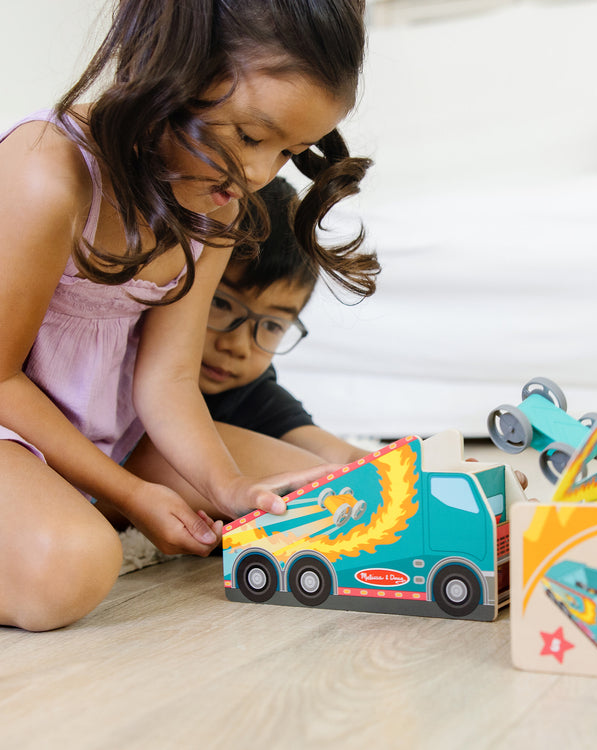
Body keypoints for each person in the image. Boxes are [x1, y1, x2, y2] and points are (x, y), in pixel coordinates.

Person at [0, 0, 379, 631]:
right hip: (11, 423)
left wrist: (229, 490)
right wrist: (129, 496)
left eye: (289, 152)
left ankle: (76, 498)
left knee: (328, 496)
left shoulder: (218, 205)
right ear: (171, 69)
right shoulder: (47, 170)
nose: (260, 174)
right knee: (69, 570)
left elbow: (168, 378)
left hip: (115, 432)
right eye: (252, 136)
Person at [200, 177, 370, 465]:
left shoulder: (251, 394)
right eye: (221, 304)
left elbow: (343, 456)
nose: (237, 346)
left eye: (271, 326)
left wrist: (423, 467)